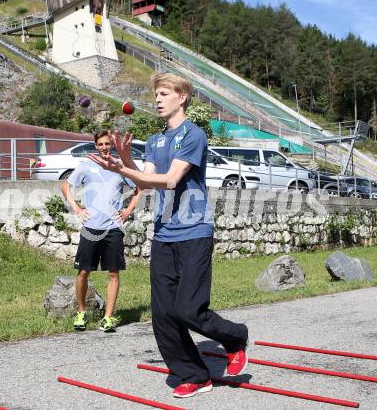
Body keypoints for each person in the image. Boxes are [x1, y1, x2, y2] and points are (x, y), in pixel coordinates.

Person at [89, 73, 249, 398]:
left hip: (194, 232)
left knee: (189, 309)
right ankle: (193, 373)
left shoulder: (194, 135)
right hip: (164, 235)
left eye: (164, 93)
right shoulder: (155, 140)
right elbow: (147, 181)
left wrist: (122, 170)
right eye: (156, 94)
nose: (158, 99)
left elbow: (173, 179)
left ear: (182, 97)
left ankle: (234, 337)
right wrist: (126, 161)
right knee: (163, 315)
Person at [61, 130, 139, 332]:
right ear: (96, 145)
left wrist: (128, 210)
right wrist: (77, 209)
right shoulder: (86, 166)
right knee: (83, 272)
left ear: (111, 145)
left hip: (113, 228)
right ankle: (81, 313)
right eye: (101, 144)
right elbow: (65, 187)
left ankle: (108, 317)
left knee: (113, 273)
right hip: (90, 228)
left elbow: (139, 188)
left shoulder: (119, 167)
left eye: (107, 144)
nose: (104, 147)